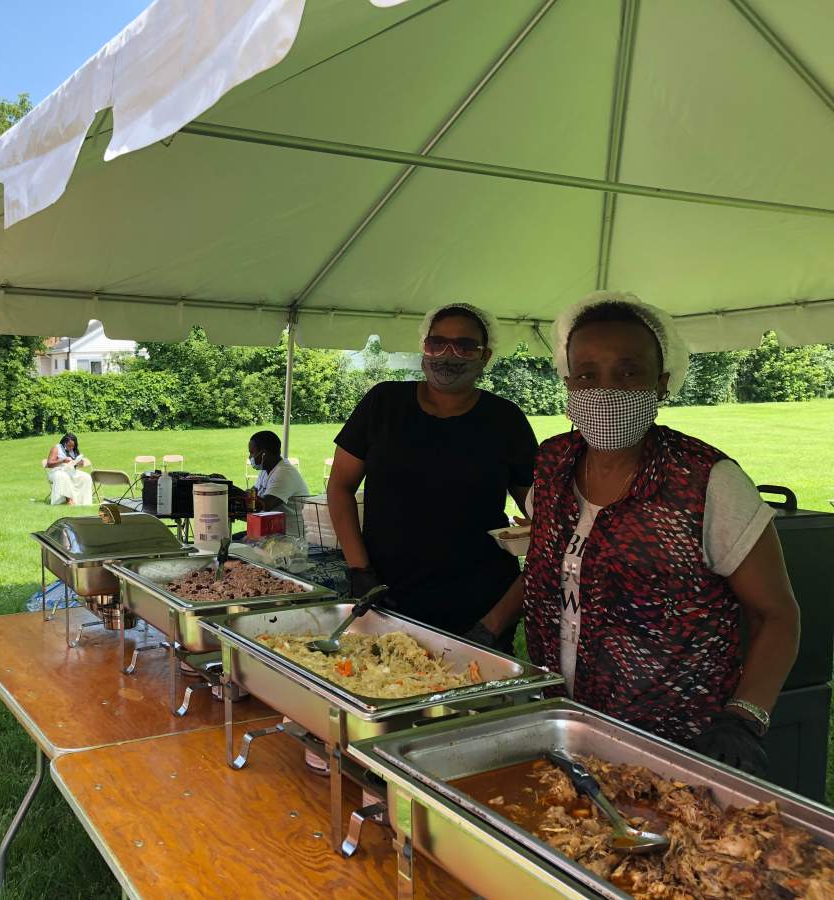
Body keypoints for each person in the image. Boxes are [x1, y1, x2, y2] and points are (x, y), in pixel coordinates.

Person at [474, 292, 799, 776]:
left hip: (672, 742)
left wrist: (745, 716)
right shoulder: (553, 464)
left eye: (629, 373)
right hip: (561, 722)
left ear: (661, 383)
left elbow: (777, 614)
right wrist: (488, 628)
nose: (606, 391)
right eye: (587, 375)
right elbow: (549, 564)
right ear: (568, 384)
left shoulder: (705, 480)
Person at [327, 303, 537, 643]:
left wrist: (494, 623)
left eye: (465, 346)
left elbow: (543, 513)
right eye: (437, 343)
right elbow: (340, 486)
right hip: (388, 595)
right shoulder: (384, 403)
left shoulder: (505, 420)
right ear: (424, 348)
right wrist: (359, 570)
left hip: (478, 602)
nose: (448, 355)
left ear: (485, 356)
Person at [246, 430, 310, 537]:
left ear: (264, 454)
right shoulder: (266, 470)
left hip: (290, 539)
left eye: (252, 452)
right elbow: (253, 493)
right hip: (271, 533)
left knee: (233, 544)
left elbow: (265, 505)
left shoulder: (284, 473)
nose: (250, 457)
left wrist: (232, 490)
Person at [46, 432, 93, 506]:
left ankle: (83, 501)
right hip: (56, 471)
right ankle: (69, 499)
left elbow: (82, 463)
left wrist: (77, 462)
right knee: (63, 476)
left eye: (72, 446)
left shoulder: (74, 450)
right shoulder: (56, 448)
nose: (71, 447)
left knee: (86, 477)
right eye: (69, 445)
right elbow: (49, 464)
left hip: (70, 471)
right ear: (64, 443)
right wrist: (62, 460)